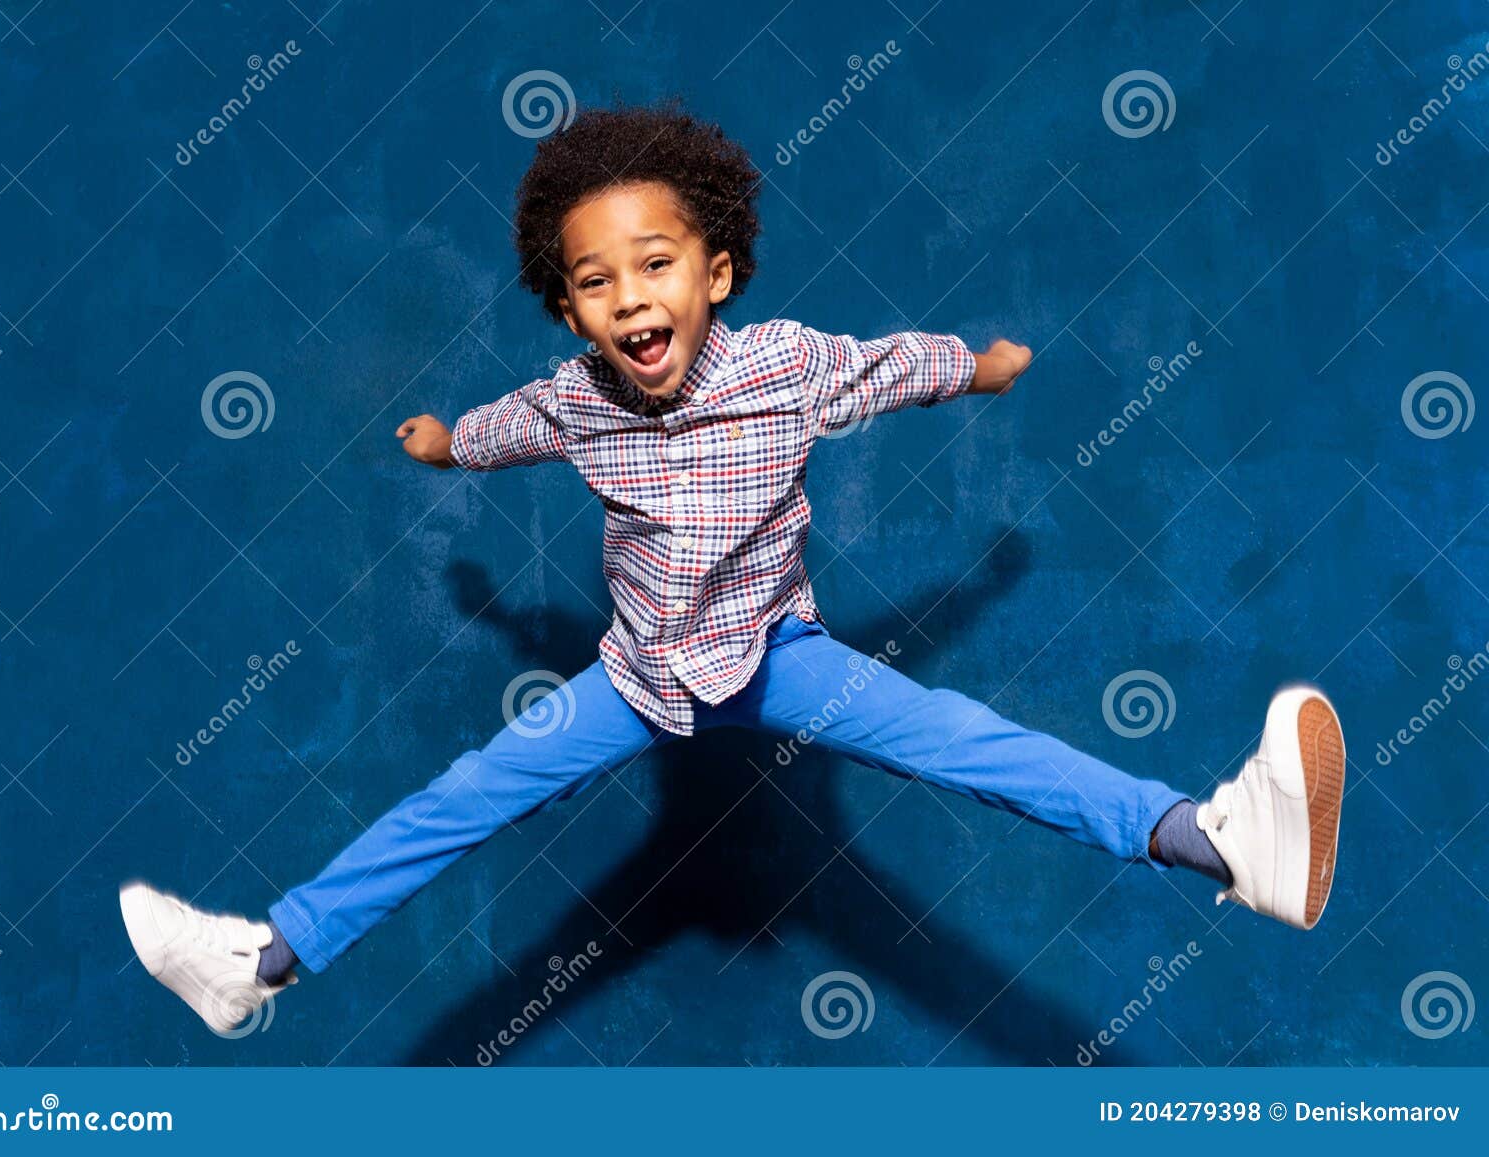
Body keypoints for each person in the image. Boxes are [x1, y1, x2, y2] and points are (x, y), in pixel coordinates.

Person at [120, 103, 1345, 1037]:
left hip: (777, 657)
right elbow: (503, 429)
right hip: (639, 676)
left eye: (654, 264)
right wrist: (444, 445)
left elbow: (888, 365)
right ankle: (255, 966)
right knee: (463, 799)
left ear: (716, 271)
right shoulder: (574, 401)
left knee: (969, 743)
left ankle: (1218, 841)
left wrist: (976, 365)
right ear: (567, 310)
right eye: (594, 281)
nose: (628, 297)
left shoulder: (785, 366)